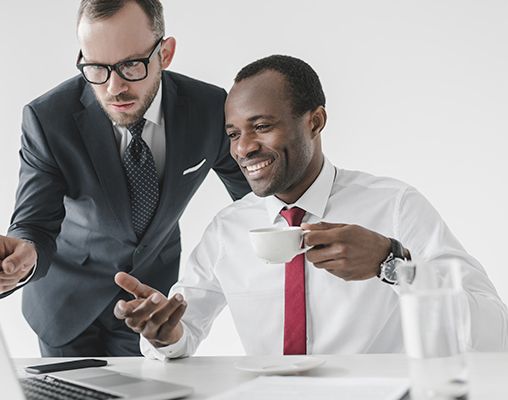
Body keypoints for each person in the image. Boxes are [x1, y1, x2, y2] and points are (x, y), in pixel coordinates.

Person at [113, 55, 508, 359]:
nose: (243, 148)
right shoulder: (227, 229)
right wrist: (163, 334)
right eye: (233, 133)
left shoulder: (395, 206)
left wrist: (393, 264)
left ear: (315, 121)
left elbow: (495, 332)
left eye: (262, 126)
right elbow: (182, 332)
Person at [0, 0, 250, 357]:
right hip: (65, 305)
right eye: (96, 68)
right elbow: (34, 223)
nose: (113, 87)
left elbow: (254, 200)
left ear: (165, 54)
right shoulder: (48, 119)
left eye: (131, 65)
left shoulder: (210, 108)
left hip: (149, 301)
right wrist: (24, 253)